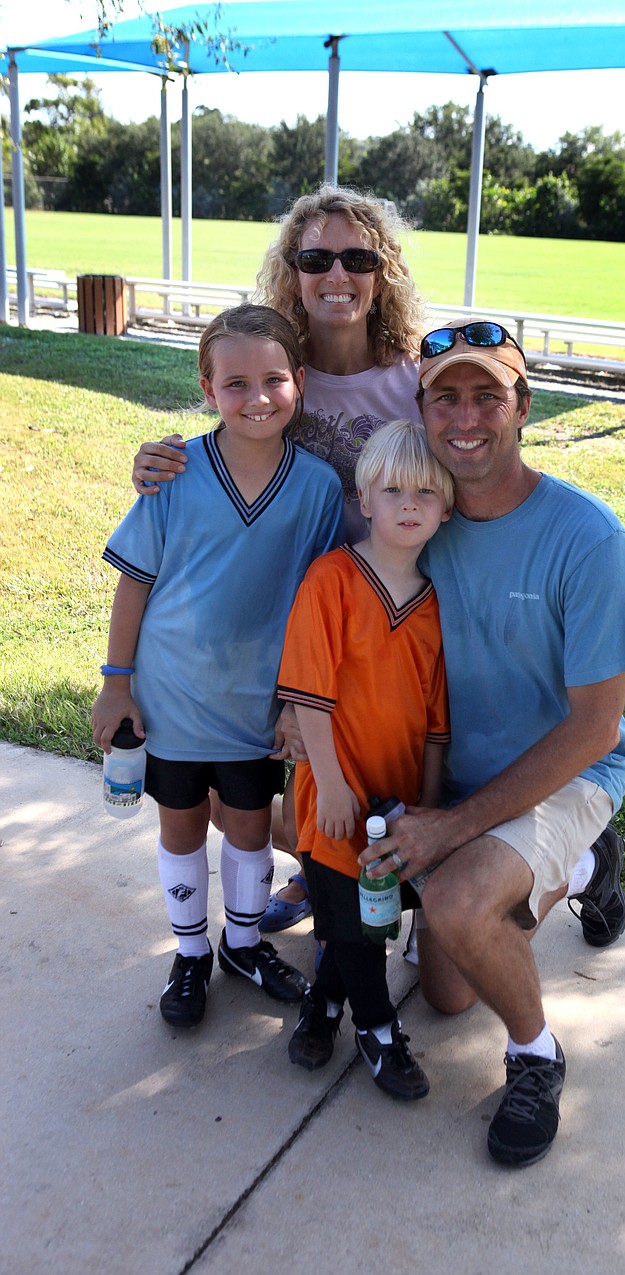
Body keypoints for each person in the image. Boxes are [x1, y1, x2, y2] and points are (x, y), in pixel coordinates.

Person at [350, 319, 625, 1167]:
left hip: (572, 769)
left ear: (524, 406)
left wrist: (451, 829)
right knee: (449, 993)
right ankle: (590, 870)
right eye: (445, 396)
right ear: (420, 409)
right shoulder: (420, 517)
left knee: (456, 904)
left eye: (489, 395)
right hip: (466, 771)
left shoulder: (586, 537)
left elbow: (596, 726)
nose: (466, 416)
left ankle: (535, 1054)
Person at [130, 186, 427, 933]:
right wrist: (154, 460)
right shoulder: (276, 368)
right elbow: (225, 436)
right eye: (316, 256)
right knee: (288, 776)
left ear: (381, 270)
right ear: (292, 270)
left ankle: (403, 886)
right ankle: (317, 875)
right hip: (301, 618)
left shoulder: (414, 379)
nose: (337, 273)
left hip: (391, 603)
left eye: (357, 257)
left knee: (382, 764)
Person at [92, 304, 345, 1029]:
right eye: (235, 383)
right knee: (180, 825)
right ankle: (190, 951)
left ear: (299, 381)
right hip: (170, 697)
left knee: (246, 825)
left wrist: (298, 701)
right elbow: (135, 578)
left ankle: (242, 942)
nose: (256, 397)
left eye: (273, 379)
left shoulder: (320, 487)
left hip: (256, 702)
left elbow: (316, 601)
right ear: (207, 387)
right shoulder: (175, 471)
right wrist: (117, 683)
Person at [275, 419, 453, 1100]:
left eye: (426, 493)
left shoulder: (437, 606)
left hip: (399, 798)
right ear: (364, 497)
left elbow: (436, 727)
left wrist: (430, 810)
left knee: (374, 912)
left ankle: (322, 1005)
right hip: (334, 791)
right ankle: (378, 1030)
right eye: (393, 489)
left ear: (445, 506)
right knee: (349, 920)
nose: (409, 504)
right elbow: (310, 698)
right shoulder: (332, 580)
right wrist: (335, 783)